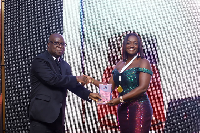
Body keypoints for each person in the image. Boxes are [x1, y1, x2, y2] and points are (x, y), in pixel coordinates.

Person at [29, 33, 101, 133]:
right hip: (41, 117)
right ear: (48, 45)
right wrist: (77, 78)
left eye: (63, 44)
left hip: (58, 118)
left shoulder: (65, 65)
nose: (60, 46)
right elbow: (53, 79)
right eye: (56, 43)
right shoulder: (40, 60)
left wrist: (89, 94)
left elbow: (71, 85)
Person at [87, 32, 153, 132]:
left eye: (135, 43)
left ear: (139, 46)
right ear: (124, 45)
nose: (132, 45)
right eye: (129, 43)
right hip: (122, 109)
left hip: (139, 107)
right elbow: (109, 87)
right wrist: (91, 80)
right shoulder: (119, 64)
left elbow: (143, 88)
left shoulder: (143, 62)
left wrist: (120, 99)